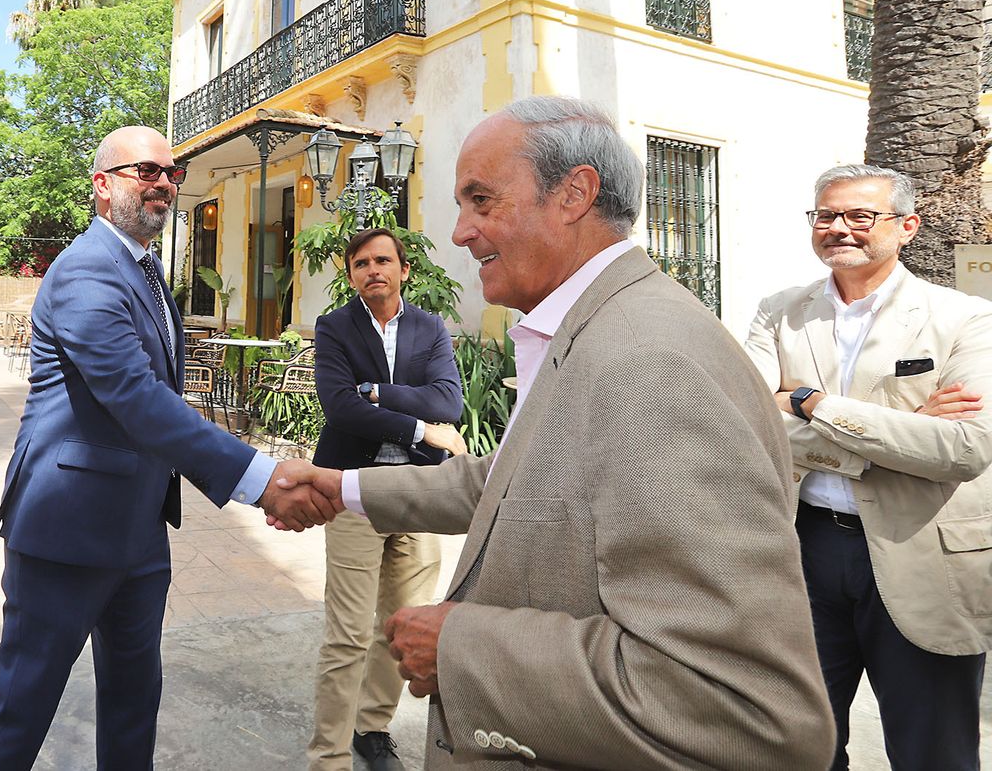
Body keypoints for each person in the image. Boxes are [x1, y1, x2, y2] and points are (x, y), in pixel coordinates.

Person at [296, 96, 834, 769]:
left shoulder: (648, 364)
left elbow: (746, 711)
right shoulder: (592, 330)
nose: (459, 232)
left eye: (481, 200)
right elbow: (516, 480)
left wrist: (461, 646)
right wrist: (341, 487)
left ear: (574, 194)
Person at [0, 125, 339, 770]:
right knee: (23, 701)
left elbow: (157, 397)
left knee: (135, 700)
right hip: (66, 529)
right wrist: (260, 477)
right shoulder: (85, 269)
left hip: (139, 531)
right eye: (147, 171)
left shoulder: (147, 269)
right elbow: (134, 395)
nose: (164, 182)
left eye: (172, 173)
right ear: (102, 185)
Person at [743, 164, 992, 770]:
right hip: (803, 550)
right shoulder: (780, 312)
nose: (839, 228)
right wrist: (901, 430)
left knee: (934, 754)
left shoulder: (964, 317)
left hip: (922, 551)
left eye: (860, 215)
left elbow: (963, 449)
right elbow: (744, 424)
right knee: (797, 747)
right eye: (826, 215)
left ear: (907, 226)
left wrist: (809, 402)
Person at [307, 227, 463, 771]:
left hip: (418, 494)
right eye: (361, 263)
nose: (373, 269)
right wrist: (422, 428)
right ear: (351, 276)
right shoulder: (335, 327)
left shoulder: (429, 327)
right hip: (354, 491)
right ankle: (328, 757)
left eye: (383, 260)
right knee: (348, 635)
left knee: (401, 625)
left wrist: (377, 392)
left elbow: (450, 402)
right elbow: (340, 409)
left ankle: (371, 728)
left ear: (403, 270)